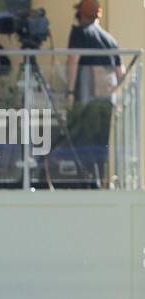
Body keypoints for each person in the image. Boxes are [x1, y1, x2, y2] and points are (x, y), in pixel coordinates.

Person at [66, 0, 125, 185]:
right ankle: (100, 181)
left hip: (85, 99)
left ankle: (87, 184)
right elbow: (121, 74)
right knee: (101, 143)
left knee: (82, 141)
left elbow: (73, 61)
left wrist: (69, 92)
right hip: (106, 100)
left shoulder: (79, 33)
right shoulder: (110, 39)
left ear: (80, 14)